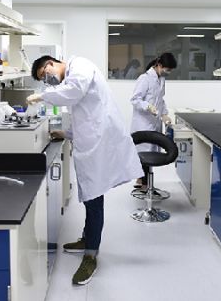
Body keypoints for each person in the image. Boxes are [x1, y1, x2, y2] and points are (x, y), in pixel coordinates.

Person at [26, 55, 142, 285]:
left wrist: (42, 95)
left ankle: (91, 255)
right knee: (91, 198)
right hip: (92, 143)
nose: (47, 80)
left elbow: (74, 92)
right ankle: (87, 239)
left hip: (99, 144)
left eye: (44, 75)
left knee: (94, 198)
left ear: (50, 64)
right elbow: (84, 116)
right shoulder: (72, 76)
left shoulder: (79, 65)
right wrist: (66, 133)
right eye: (44, 80)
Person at [130, 52, 177, 188]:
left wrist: (165, 114)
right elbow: (134, 99)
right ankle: (145, 184)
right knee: (144, 154)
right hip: (143, 123)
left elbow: (160, 100)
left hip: (154, 122)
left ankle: (143, 182)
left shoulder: (161, 80)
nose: (168, 72)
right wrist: (147, 106)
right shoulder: (144, 79)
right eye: (167, 69)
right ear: (159, 65)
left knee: (151, 154)